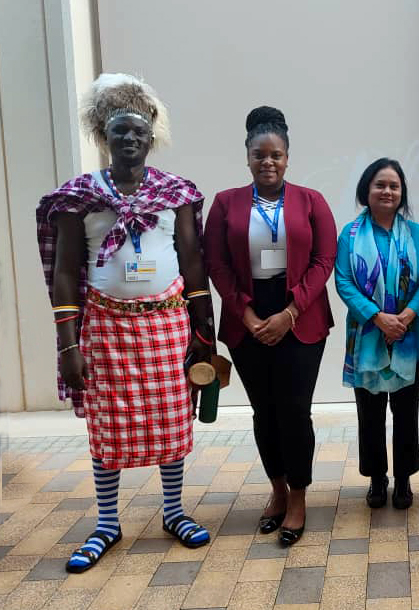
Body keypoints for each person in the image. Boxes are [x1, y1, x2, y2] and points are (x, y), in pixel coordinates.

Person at [37, 74, 212, 572]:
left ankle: (175, 511)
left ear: (151, 137)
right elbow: (66, 273)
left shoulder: (174, 193)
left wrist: (204, 332)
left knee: (171, 422)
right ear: (103, 137)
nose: (130, 139)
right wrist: (69, 347)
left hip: (165, 326)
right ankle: (108, 523)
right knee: (107, 427)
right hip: (106, 331)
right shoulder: (80, 197)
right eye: (120, 132)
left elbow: (192, 261)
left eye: (139, 131)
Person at [204, 106, 336, 546]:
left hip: (300, 318)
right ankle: (277, 491)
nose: (268, 162)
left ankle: (298, 498)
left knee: (295, 411)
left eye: (276, 155)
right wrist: (246, 313)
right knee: (265, 411)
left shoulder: (311, 201)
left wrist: (291, 312)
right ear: (247, 157)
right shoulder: (225, 204)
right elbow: (217, 265)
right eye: (259, 154)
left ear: (287, 157)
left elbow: (324, 261)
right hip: (249, 321)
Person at [334, 158, 419, 509]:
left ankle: (404, 478)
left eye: (394, 185)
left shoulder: (416, 234)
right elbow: (343, 281)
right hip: (367, 335)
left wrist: (404, 317)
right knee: (371, 414)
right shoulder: (349, 234)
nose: (387, 191)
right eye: (380, 184)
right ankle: (377, 478)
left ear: (401, 192)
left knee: (406, 412)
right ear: (366, 190)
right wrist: (378, 317)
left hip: (407, 336)